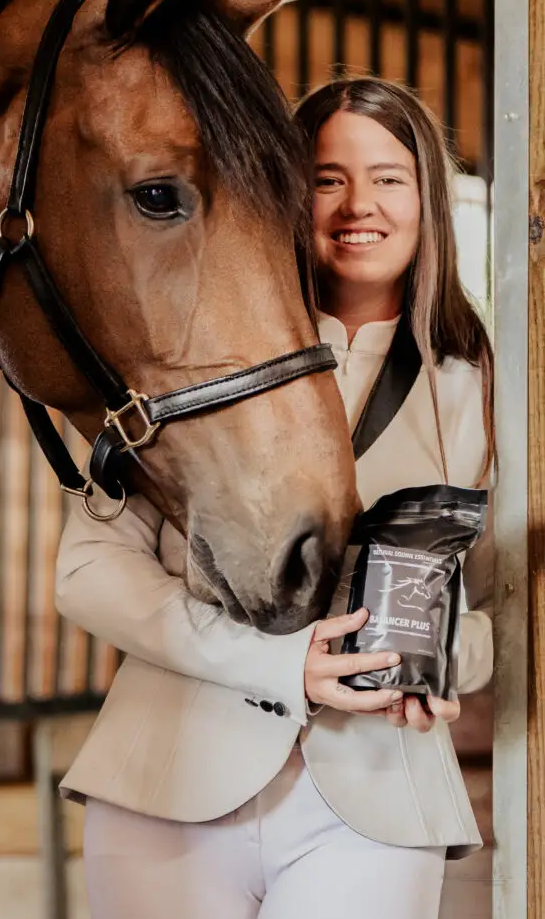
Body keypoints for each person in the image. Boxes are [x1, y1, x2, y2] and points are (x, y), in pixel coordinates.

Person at [54, 76, 494, 919]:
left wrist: (434, 660)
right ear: (288, 198)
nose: (357, 204)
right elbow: (88, 571)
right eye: (327, 179)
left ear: (428, 199)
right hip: (168, 778)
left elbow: (506, 616)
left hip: (377, 800)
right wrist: (275, 665)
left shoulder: (486, 395)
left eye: (389, 178)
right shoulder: (178, 357)